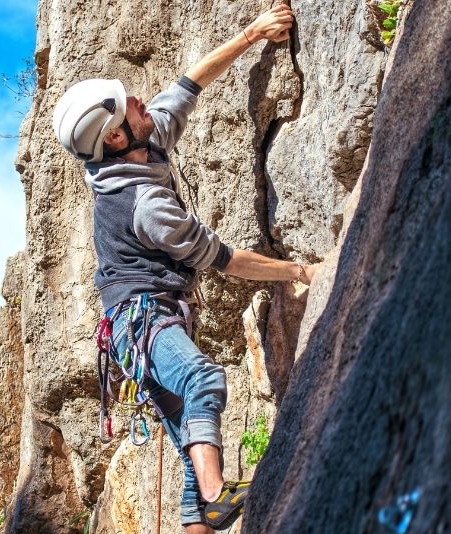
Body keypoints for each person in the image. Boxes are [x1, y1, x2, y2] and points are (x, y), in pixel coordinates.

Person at [52, 4, 316, 533]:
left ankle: (203, 510)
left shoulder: (140, 142)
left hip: (142, 324)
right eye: (129, 104)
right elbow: (223, 259)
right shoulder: (144, 204)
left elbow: (188, 83)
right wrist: (297, 272)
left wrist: (252, 33)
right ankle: (219, 497)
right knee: (203, 381)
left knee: (194, 450)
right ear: (116, 138)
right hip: (142, 322)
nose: (140, 100)